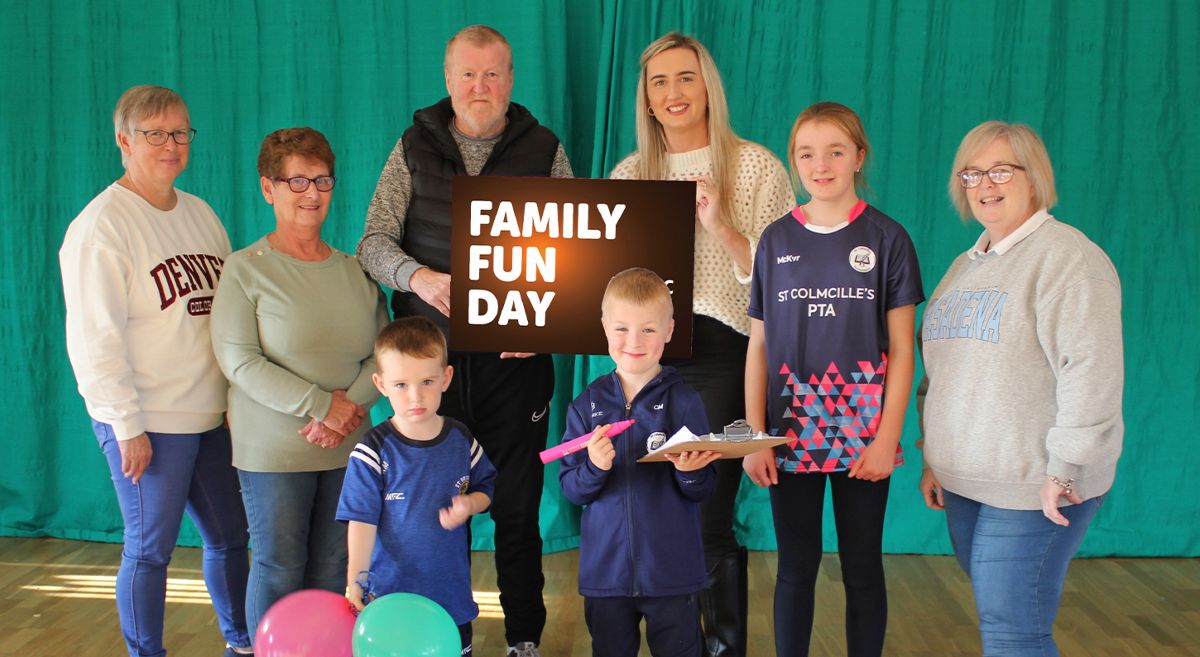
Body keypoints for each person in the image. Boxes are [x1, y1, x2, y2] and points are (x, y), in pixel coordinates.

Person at [356, 24, 572, 657]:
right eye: (468, 74)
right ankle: (440, 640)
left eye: (493, 74)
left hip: (516, 368)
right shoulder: (412, 147)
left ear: (511, 81)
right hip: (430, 369)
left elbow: (576, 256)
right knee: (426, 514)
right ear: (448, 80)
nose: (480, 87)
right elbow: (372, 243)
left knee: (515, 505)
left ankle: (525, 639)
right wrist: (418, 276)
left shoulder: (544, 149)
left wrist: (546, 322)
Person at [607, 32, 794, 657]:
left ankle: (724, 647)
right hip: (646, 357)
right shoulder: (632, 174)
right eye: (659, 82)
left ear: (707, 86)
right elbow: (608, 284)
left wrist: (719, 225)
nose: (673, 92)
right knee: (642, 499)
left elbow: (782, 278)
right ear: (648, 100)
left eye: (685, 77)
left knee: (705, 506)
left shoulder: (756, 167)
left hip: (722, 352)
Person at [59, 85, 252, 657]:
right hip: (148, 421)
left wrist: (232, 403)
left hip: (208, 415)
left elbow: (224, 316)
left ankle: (241, 643)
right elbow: (94, 338)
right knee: (151, 549)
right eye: (155, 134)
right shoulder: (102, 227)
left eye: (180, 132)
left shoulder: (200, 214)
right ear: (124, 141)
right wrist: (126, 424)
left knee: (230, 538)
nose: (170, 145)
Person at [917, 121, 1123, 656]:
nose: (986, 183)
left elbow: (1091, 368)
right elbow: (939, 372)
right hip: (966, 479)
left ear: (1035, 178)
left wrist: (1067, 466)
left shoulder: (1067, 258)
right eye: (972, 172)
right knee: (997, 605)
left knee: (1012, 626)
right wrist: (933, 456)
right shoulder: (964, 267)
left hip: (1038, 482)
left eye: (1002, 170)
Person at [742, 102, 924, 657]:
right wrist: (754, 436)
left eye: (835, 151)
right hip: (790, 433)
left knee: (862, 565)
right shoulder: (774, 241)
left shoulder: (888, 238)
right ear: (795, 162)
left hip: (864, 437)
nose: (821, 164)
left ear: (858, 157)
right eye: (807, 153)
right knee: (795, 569)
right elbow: (760, 346)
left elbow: (901, 349)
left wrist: (886, 439)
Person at [209, 127, 388, 641]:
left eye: (323, 180)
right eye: (297, 182)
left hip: (349, 446)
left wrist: (347, 411)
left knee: (336, 570)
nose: (312, 193)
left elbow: (383, 354)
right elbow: (238, 360)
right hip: (275, 452)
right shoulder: (245, 270)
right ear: (269, 188)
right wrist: (319, 407)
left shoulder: (357, 271)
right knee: (279, 565)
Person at [559, 268, 720, 657]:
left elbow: (704, 487)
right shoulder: (587, 404)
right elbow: (571, 488)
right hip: (606, 574)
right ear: (603, 327)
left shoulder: (685, 401)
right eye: (622, 328)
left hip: (672, 573)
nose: (634, 341)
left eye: (648, 330)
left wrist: (691, 472)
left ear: (669, 331)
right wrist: (594, 467)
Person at [337, 316, 497, 656]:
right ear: (380, 385)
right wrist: (356, 581)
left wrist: (471, 504)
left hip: (450, 598)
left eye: (427, 381)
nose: (415, 396)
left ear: (446, 378)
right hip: (389, 599)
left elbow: (487, 488)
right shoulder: (372, 451)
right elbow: (361, 522)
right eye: (401, 385)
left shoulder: (461, 439)